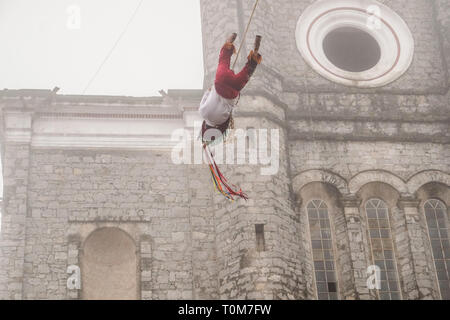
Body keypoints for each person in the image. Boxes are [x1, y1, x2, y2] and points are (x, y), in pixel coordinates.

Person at [199, 33, 262, 145]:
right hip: (220, 82)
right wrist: (213, 89)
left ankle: (255, 54)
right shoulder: (202, 112)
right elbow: (207, 92)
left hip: (233, 90)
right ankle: (229, 44)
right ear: (204, 126)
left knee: (247, 72)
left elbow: (230, 109)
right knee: (223, 60)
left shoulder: (222, 121)